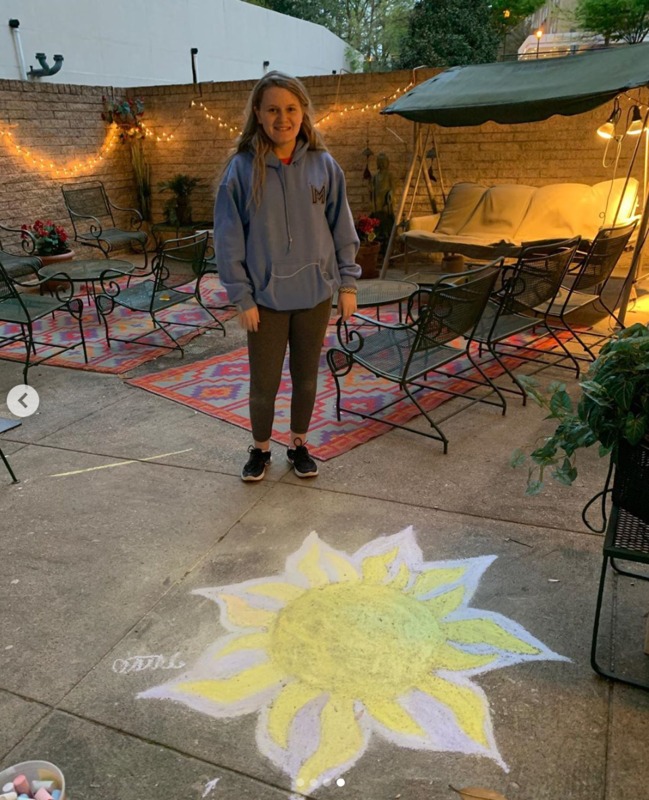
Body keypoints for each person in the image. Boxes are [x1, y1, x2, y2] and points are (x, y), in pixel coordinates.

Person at [214, 71, 360, 482]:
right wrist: (241, 297)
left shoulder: (324, 166)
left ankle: (297, 444)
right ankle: (260, 449)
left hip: (315, 294)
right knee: (264, 383)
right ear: (258, 115)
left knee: (306, 378)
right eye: (273, 109)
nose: (283, 118)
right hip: (265, 301)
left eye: (291, 109)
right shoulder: (240, 171)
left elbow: (341, 228)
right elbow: (228, 239)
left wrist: (347, 283)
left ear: (303, 113)